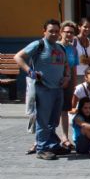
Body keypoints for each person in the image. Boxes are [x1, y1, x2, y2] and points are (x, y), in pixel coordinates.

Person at [14, 20, 72, 160]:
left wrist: (67, 77)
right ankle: (42, 149)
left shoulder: (60, 48)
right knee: (43, 120)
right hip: (43, 88)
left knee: (53, 121)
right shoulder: (38, 45)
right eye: (51, 31)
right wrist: (30, 71)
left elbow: (66, 65)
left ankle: (52, 145)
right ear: (44, 31)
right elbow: (18, 57)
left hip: (57, 89)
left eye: (56, 31)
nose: (54, 34)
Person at [58, 20, 78, 150]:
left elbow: (74, 68)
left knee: (65, 110)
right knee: (52, 110)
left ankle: (65, 137)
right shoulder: (56, 46)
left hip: (69, 82)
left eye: (71, 32)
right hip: (56, 80)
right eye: (67, 32)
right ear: (61, 32)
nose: (69, 35)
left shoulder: (73, 49)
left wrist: (74, 84)